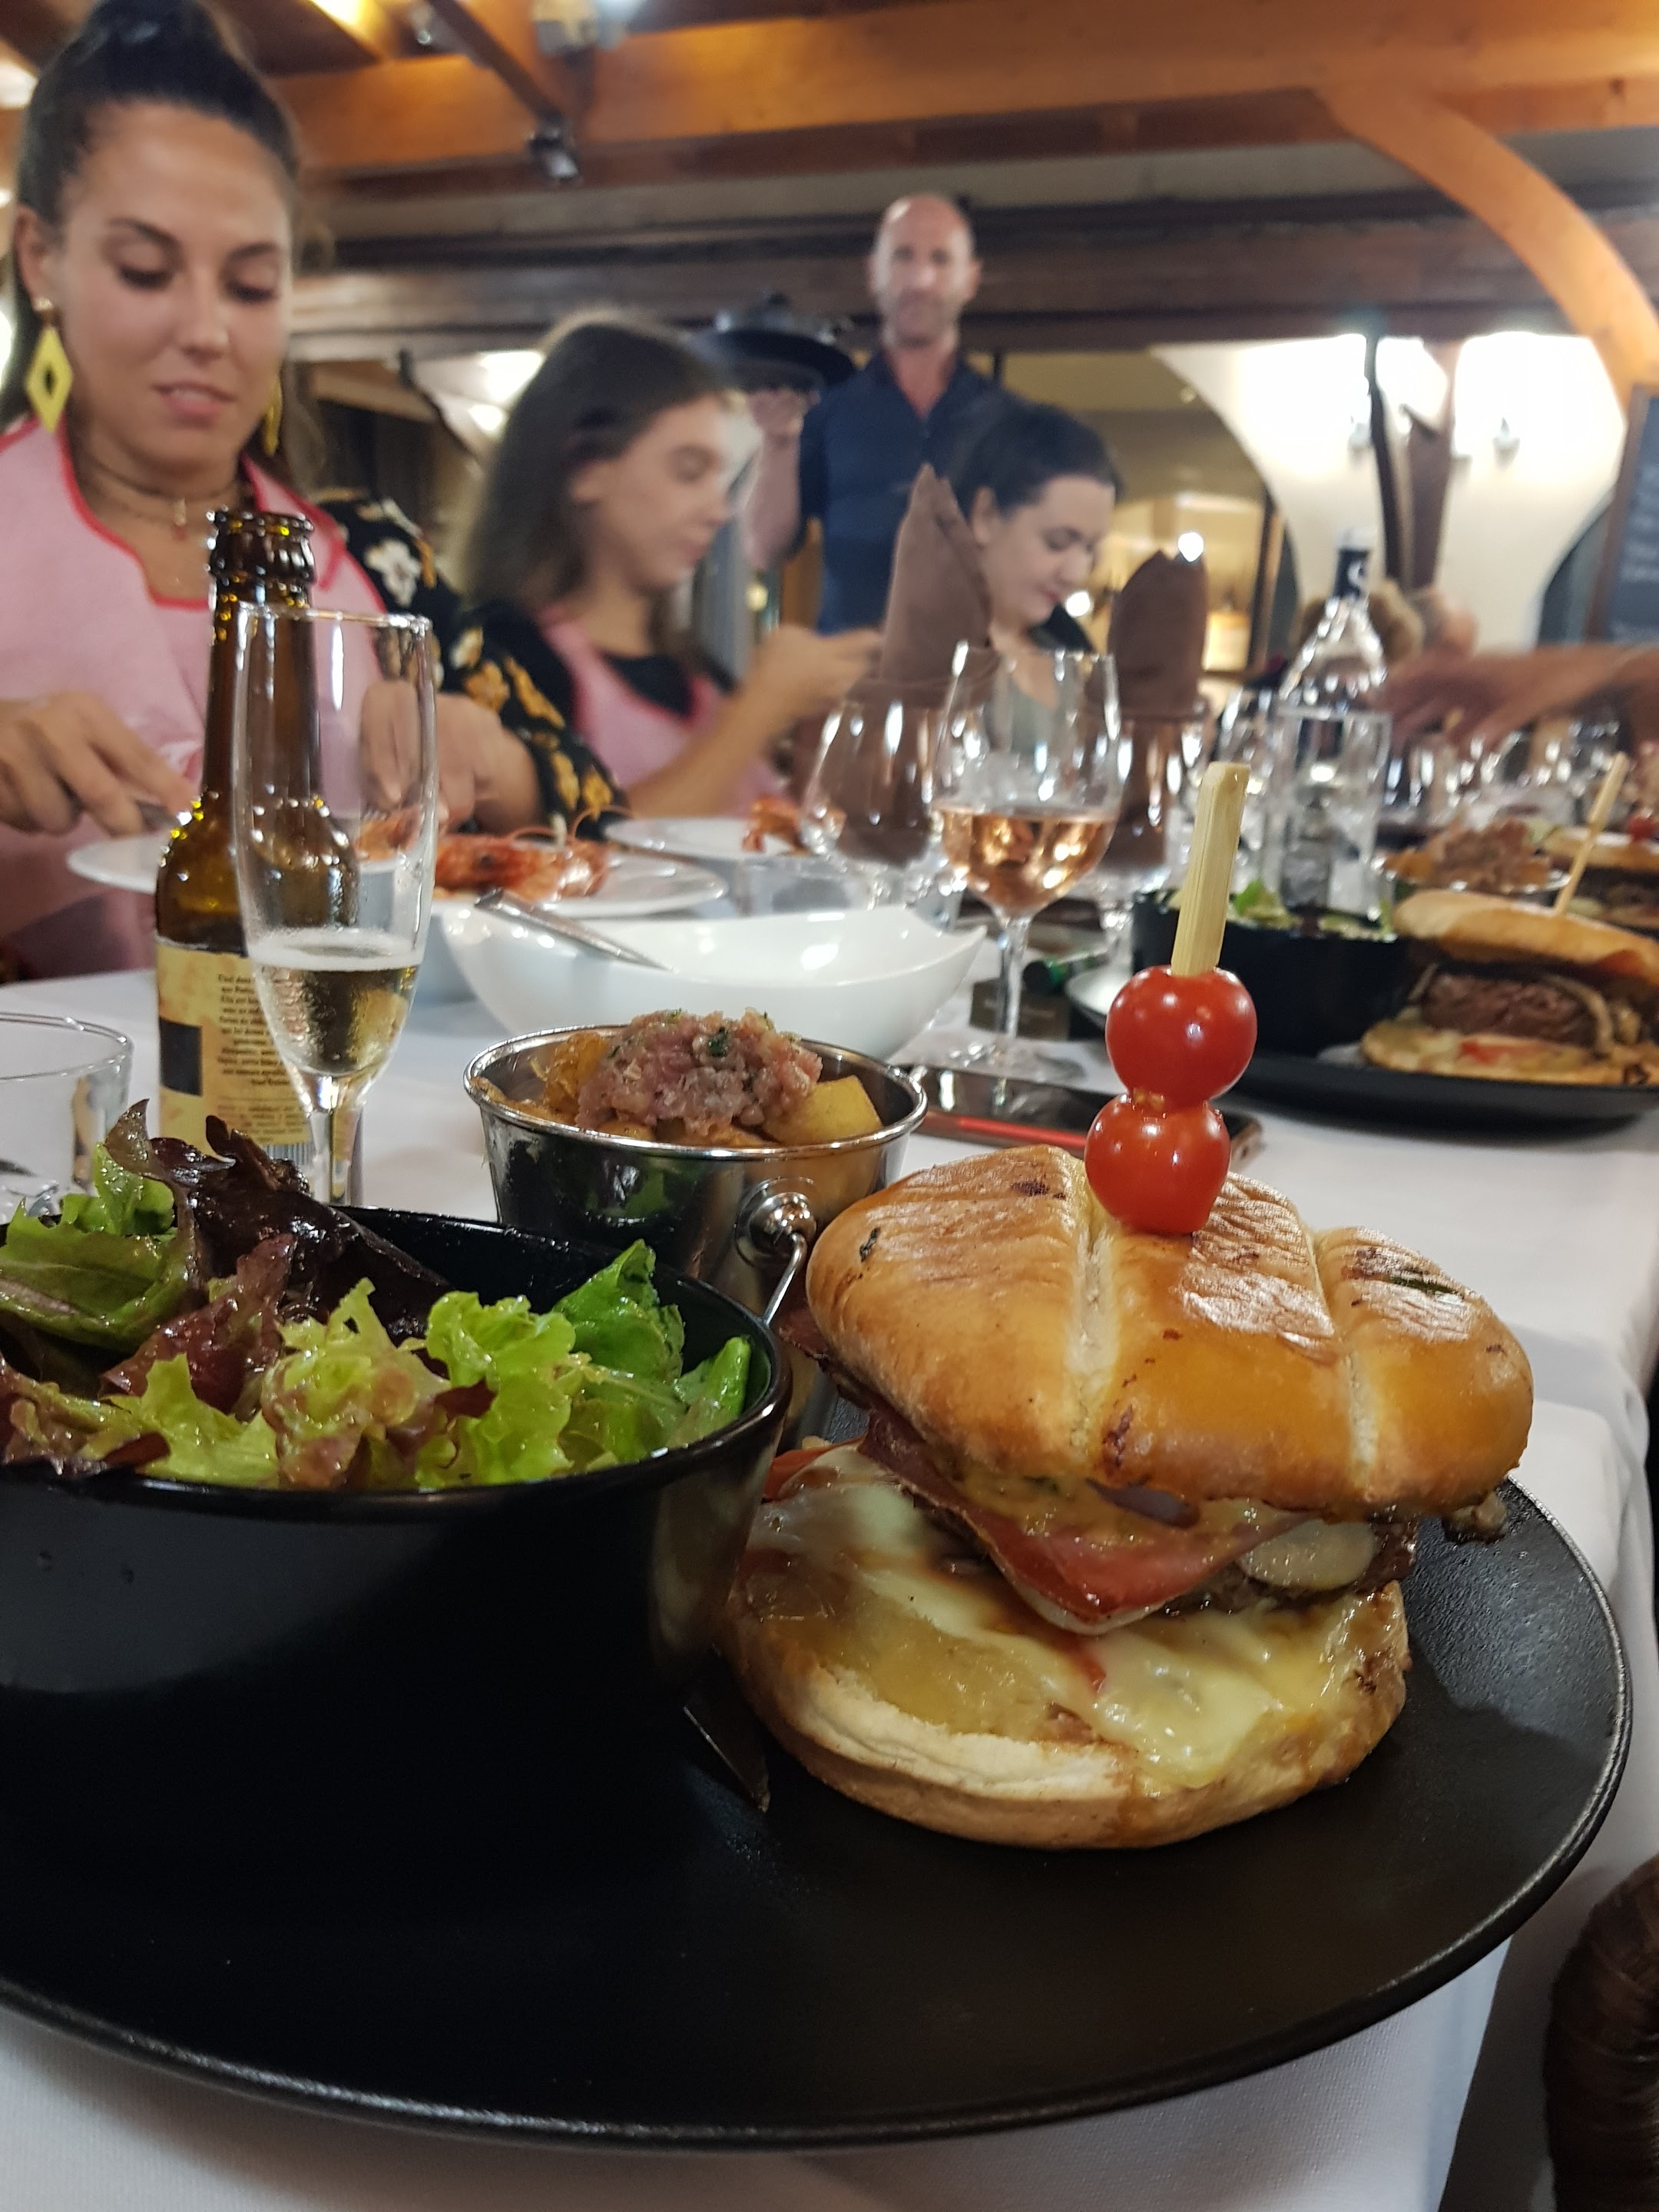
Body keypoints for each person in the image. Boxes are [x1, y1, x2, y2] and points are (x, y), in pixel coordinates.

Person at [0, 0, 535, 977]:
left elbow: (568, 797)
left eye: (250, 287)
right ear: (40, 257)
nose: (208, 332)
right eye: (146, 271)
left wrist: (480, 751)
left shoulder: (365, 558)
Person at [450, 313, 877, 822]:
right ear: (586, 470)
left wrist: (813, 737)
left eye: (716, 477)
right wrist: (760, 707)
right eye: (688, 471)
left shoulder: (695, 671)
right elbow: (587, 842)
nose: (718, 510)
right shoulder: (502, 656)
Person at [740, 194, 1011, 633]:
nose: (920, 279)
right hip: (849, 669)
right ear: (874, 271)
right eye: (903, 256)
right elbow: (761, 549)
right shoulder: (828, 410)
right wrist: (778, 440)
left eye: (940, 259)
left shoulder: (1007, 421)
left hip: (969, 669)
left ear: (970, 279)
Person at [947, 401, 1119, 655]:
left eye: (1090, 549)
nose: (1075, 574)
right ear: (986, 516)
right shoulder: (908, 652)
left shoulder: (1071, 650)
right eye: (1057, 542)